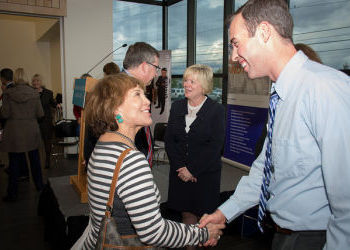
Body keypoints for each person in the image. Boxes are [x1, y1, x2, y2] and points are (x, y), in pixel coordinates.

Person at [199, 1, 350, 249]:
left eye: (236, 43)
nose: (233, 56)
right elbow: (265, 172)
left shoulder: (325, 90)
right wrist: (225, 212)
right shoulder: (281, 96)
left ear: (265, 32)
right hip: (282, 236)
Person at [72, 74, 224, 249]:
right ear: (115, 109)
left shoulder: (103, 145)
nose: (147, 102)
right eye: (137, 95)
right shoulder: (130, 160)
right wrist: (204, 233)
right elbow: (153, 232)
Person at [165, 64, 225, 246]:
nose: (186, 85)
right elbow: (170, 141)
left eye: (192, 81)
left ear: (204, 85)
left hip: (204, 175)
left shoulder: (216, 110)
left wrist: (192, 170)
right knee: (186, 213)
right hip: (179, 174)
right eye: (185, 80)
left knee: (204, 216)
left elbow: (215, 147)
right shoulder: (177, 106)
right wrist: (181, 169)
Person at [0, 68, 44, 202]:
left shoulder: (8, 93)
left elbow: (5, 114)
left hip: (15, 132)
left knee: (14, 164)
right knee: (35, 160)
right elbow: (40, 114)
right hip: (31, 130)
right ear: (26, 77)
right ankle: (40, 186)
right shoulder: (34, 93)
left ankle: (12, 194)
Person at [122, 42, 160, 167]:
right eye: (156, 68)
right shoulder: (118, 90)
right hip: (127, 168)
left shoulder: (135, 87)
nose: (156, 74)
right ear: (144, 66)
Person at [0, 68, 29, 181]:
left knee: (16, 152)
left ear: (3, 78)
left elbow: (6, 112)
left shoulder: (9, 90)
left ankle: (19, 172)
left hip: (13, 124)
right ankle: (20, 171)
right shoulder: (14, 89)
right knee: (18, 151)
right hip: (20, 124)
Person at [31, 74, 57, 169]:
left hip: (46, 121)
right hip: (33, 121)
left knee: (47, 141)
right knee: (34, 142)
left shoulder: (48, 93)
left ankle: (47, 160)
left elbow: (53, 103)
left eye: (37, 81)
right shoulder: (29, 92)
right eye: (34, 81)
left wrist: (56, 104)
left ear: (41, 82)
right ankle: (35, 161)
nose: (35, 83)